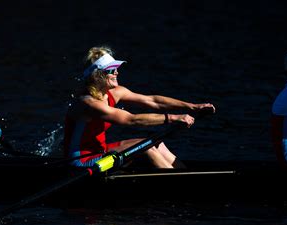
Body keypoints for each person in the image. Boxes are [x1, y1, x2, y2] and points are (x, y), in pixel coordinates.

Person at [64, 46, 216, 169]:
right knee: (146, 147)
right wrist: (173, 118)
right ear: (97, 75)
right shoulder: (88, 103)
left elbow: (153, 101)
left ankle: (184, 175)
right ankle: (178, 186)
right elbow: (131, 120)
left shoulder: (115, 93)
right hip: (81, 161)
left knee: (156, 143)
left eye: (117, 67)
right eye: (111, 69)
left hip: (101, 151)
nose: (117, 72)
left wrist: (192, 107)